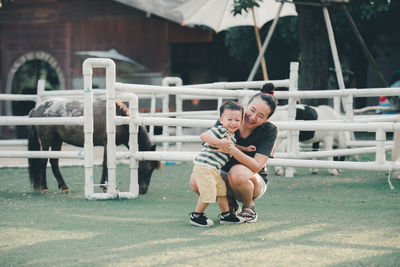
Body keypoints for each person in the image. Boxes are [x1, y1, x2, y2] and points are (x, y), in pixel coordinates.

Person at [190, 83, 278, 223]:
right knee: (196, 179)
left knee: (237, 172)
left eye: (260, 116)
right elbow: (209, 142)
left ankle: (249, 206)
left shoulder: (269, 130)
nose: (253, 117)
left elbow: (256, 166)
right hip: (223, 176)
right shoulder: (230, 119)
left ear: (266, 119)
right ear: (246, 106)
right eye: (252, 110)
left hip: (252, 182)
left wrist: (232, 149)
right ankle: (229, 206)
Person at [189, 101, 251, 227]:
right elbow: (204, 135)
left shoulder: (231, 135)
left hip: (214, 169)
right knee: (209, 192)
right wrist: (219, 142)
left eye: (237, 120)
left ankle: (226, 215)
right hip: (204, 167)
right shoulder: (219, 130)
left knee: (222, 192)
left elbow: (231, 146)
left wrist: (245, 149)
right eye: (229, 119)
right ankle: (197, 216)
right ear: (221, 120)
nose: (233, 123)